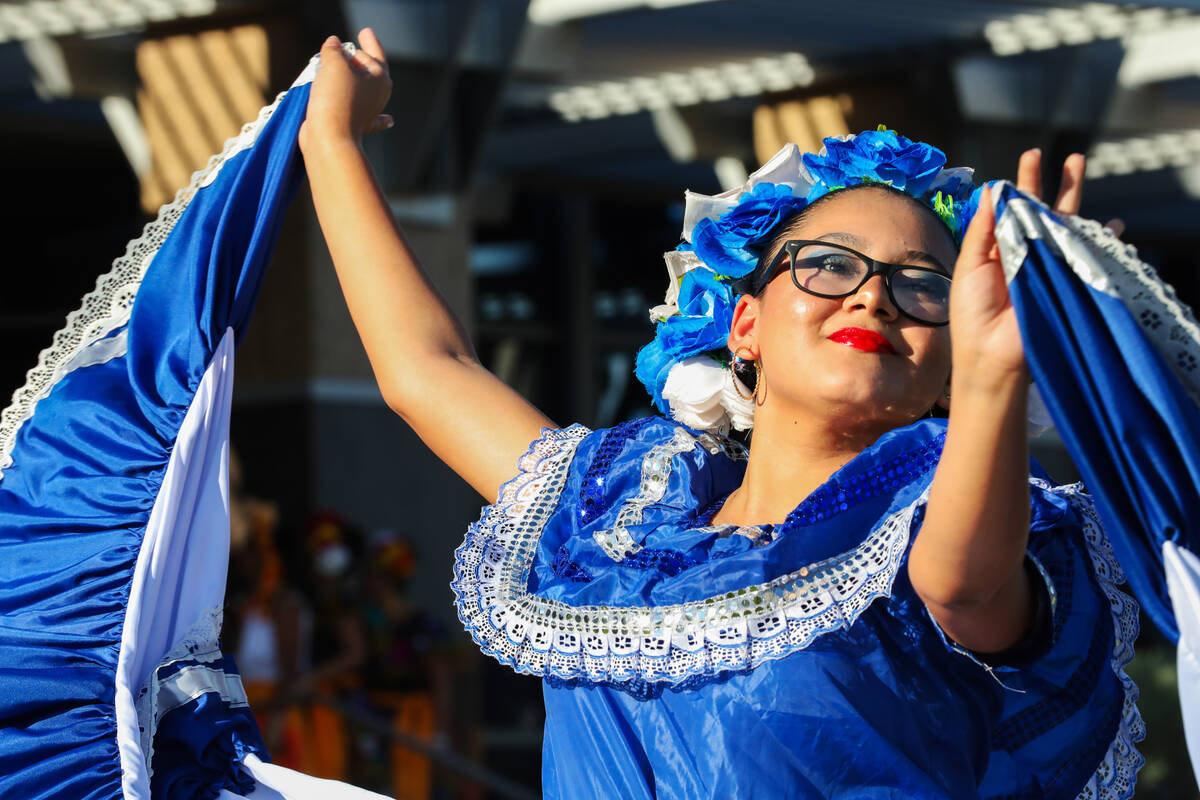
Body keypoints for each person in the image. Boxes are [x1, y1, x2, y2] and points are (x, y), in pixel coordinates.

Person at [300, 31, 1142, 799]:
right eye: (828, 265)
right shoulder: (623, 512)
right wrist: (330, 142)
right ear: (745, 326)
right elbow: (427, 370)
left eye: (924, 286)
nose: (874, 296)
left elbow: (967, 584)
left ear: (955, 360)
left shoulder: (950, 531)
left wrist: (1000, 372)